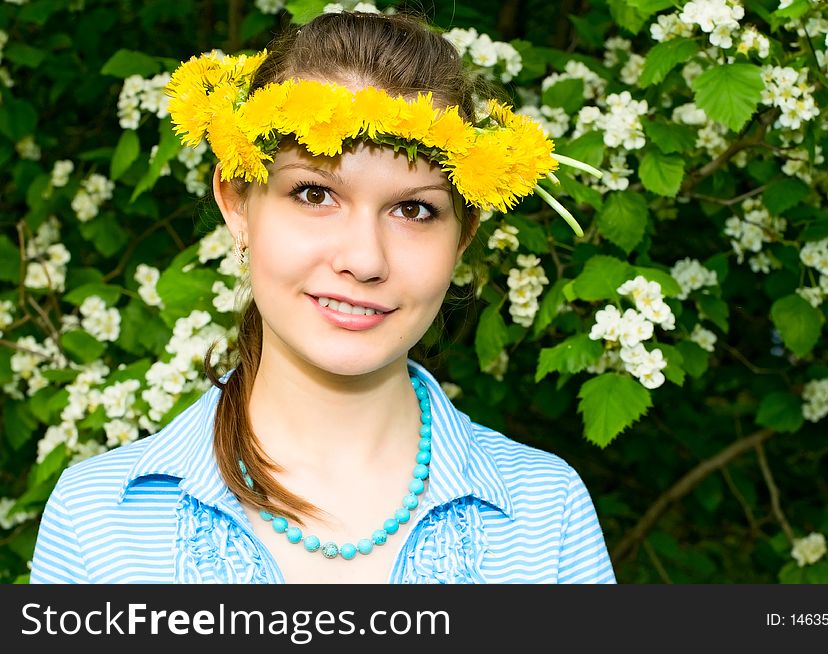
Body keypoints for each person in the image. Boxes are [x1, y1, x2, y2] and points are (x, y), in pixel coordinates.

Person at [29, 11, 615, 584]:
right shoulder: (96, 521)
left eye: (414, 209)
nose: (364, 259)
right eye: (314, 193)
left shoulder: (548, 514)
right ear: (237, 204)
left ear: (463, 237)